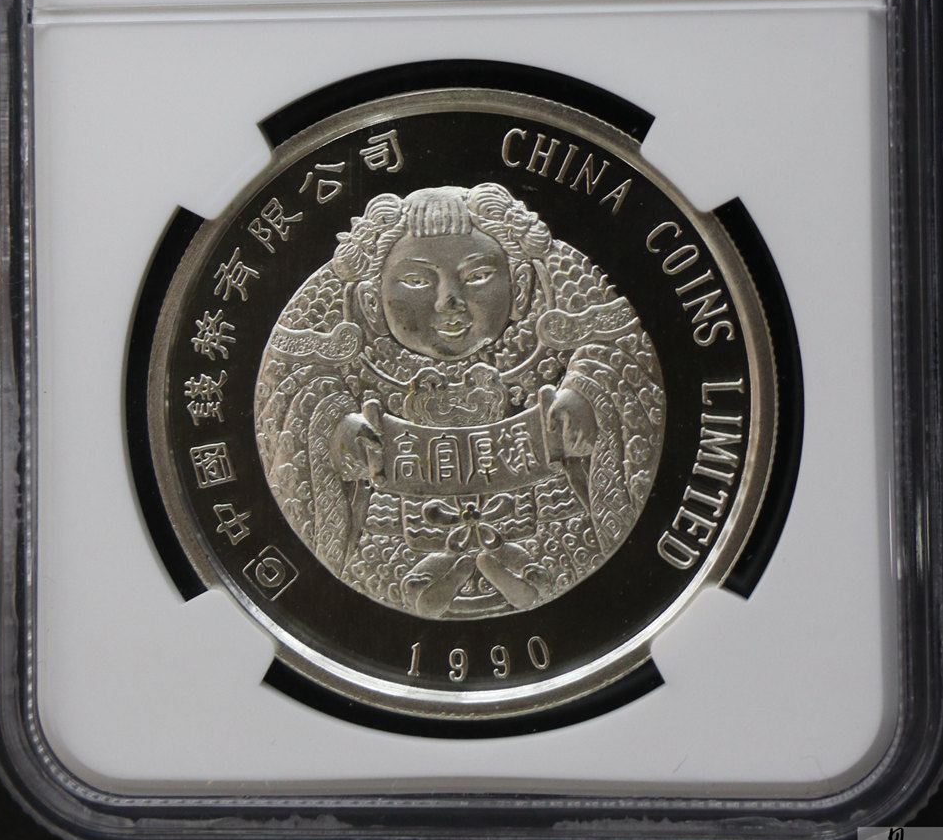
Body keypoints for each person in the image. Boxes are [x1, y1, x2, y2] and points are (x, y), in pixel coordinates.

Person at [256, 183, 664, 619]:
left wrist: (589, 393)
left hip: (555, 536)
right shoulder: (341, 370)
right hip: (386, 552)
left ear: (521, 286)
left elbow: (618, 353)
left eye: (477, 277)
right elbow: (294, 387)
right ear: (371, 303)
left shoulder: (556, 352)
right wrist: (333, 426)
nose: (448, 301)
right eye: (416, 281)